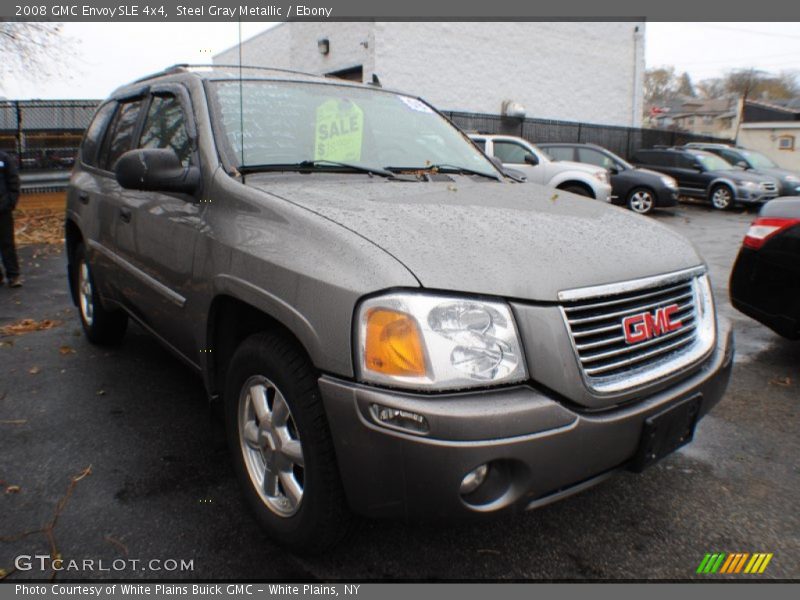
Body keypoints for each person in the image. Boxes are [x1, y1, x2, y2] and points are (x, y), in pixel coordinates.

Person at [0, 149, 22, 288]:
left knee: (7, 243)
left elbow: (13, 180)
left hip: (3, 209)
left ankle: (13, 275)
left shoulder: (3, 158)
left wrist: (10, 202)